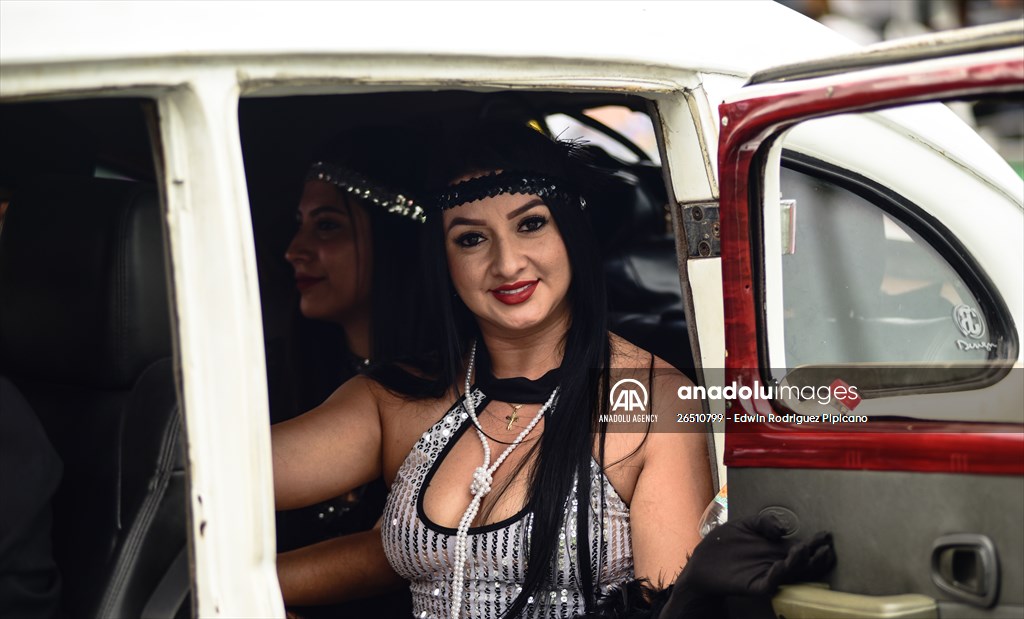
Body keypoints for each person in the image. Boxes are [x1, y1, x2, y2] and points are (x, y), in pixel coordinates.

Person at [273, 121, 714, 618]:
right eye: (471, 239)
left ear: (571, 230)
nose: (507, 264)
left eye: (530, 224)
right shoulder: (402, 399)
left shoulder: (654, 401)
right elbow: (225, 473)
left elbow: (671, 609)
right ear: (444, 260)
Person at [274, 127, 432, 616]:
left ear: (394, 241)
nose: (294, 250)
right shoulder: (268, 375)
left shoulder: (445, 393)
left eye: (326, 227)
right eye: (299, 225)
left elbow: (396, 556)